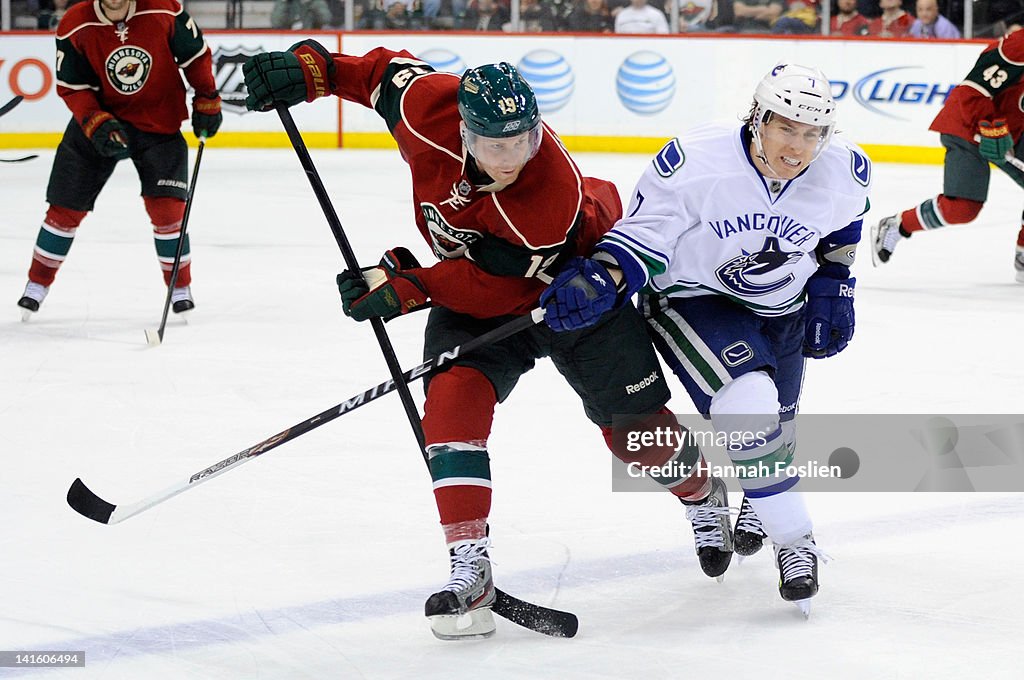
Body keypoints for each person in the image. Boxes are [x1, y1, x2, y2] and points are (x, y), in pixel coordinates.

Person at [242, 42, 736, 639]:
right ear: (465, 132)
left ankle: (702, 491)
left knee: (637, 437)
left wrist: (408, 285)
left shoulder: (547, 198)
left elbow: (492, 291)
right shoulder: (430, 110)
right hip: (478, 286)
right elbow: (378, 77)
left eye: (525, 141)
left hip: (574, 295)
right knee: (450, 404)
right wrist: (313, 72)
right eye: (498, 146)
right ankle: (469, 565)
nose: (513, 159)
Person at [541, 63, 872, 615]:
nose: (799, 147)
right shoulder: (696, 161)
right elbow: (647, 232)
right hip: (694, 296)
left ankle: (758, 498)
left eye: (813, 134)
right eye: (787, 127)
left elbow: (844, 224)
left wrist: (835, 282)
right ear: (758, 118)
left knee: (777, 424)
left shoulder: (844, 169)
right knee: (750, 411)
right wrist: (607, 273)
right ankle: (796, 541)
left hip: (781, 303)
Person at [16, 0, 222, 319]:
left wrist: (207, 97)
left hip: (158, 120)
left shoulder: (164, 9)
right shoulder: (75, 22)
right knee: (64, 207)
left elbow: (195, 56)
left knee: (167, 209)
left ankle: (180, 289)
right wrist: (93, 119)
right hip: (101, 118)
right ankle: (36, 285)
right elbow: (73, 86)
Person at [872, 27, 1024, 282]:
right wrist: (991, 128)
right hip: (969, 124)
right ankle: (898, 224)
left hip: (1015, 130)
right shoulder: (1018, 46)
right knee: (963, 209)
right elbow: (972, 91)